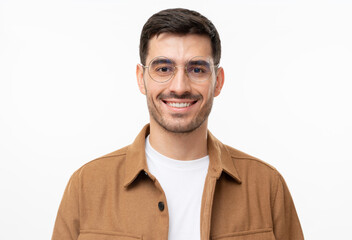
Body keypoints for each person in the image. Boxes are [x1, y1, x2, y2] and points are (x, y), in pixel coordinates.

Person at [52, 8, 304, 240]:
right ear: (142, 79)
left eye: (197, 69)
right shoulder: (86, 186)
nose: (180, 87)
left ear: (218, 81)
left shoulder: (267, 186)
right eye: (163, 68)